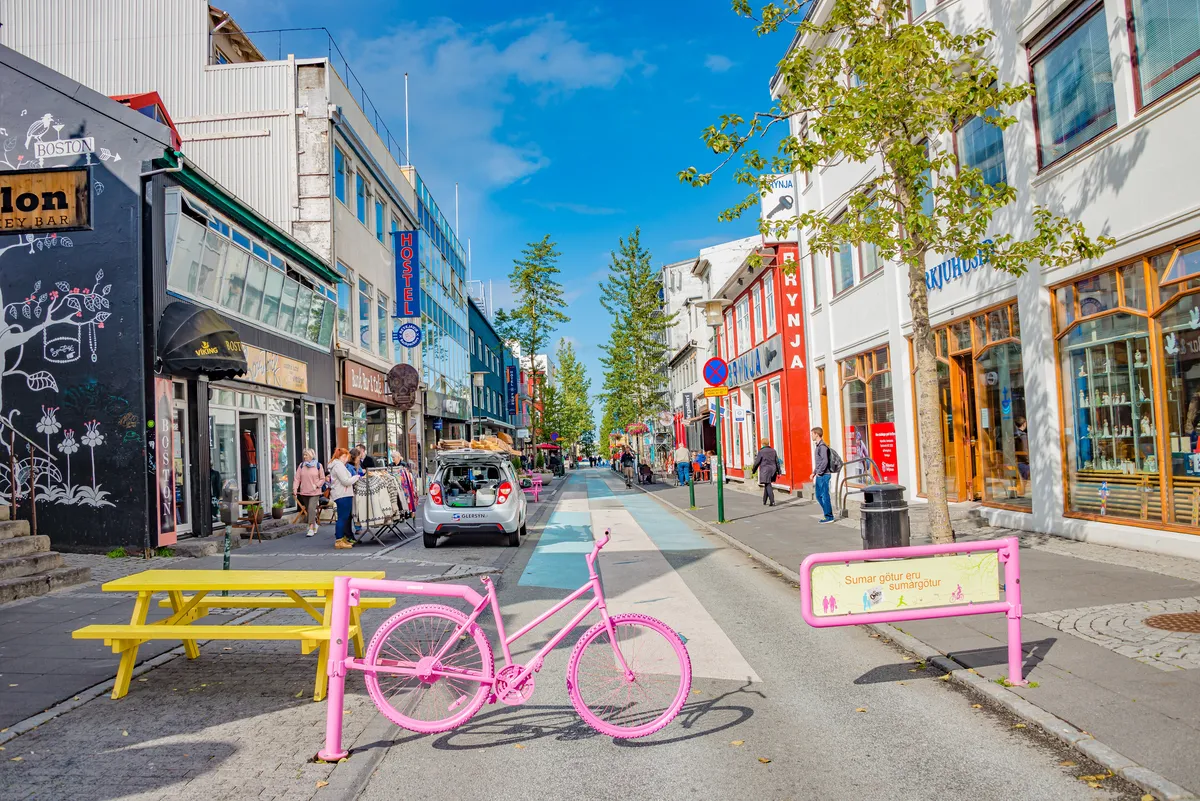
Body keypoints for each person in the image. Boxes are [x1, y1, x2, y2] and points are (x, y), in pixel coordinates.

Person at [327, 448, 360, 549]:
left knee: (343, 517)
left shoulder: (337, 465)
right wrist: (356, 477)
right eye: (344, 456)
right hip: (343, 494)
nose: (346, 459)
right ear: (340, 457)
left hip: (342, 493)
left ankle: (341, 538)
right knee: (342, 518)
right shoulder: (338, 466)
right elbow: (345, 481)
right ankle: (339, 540)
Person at [293, 448, 326, 537]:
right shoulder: (301, 466)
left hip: (315, 492)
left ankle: (310, 528)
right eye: (304, 455)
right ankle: (314, 523)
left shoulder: (318, 465)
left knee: (311, 508)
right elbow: (297, 478)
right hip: (304, 491)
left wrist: (317, 485)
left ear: (311, 456)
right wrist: (295, 489)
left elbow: (323, 478)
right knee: (309, 509)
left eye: (306, 455)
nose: (304, 457)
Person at [811, 427, 836, 523]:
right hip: (820, 474)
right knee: (818, 495)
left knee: (824, 495)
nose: (812, 436)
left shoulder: (822, 447)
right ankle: (827, 513)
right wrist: (814, 473)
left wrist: (819, 473)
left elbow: (825, 461)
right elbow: (819, 462)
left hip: (824, 475)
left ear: (816, 434)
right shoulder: (818, 446)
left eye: (812, 434)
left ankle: (829, 516)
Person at [752, 438, 779, 506]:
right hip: (773, 469)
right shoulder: (773, 451)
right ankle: (764, 500)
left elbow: (757, 462)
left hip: (765, 470)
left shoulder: (761, 451)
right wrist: (779, 471)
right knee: (767, 483)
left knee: (768, 484)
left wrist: (753, 470)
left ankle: (772, 501)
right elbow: (777, 461)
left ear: (762, 443)